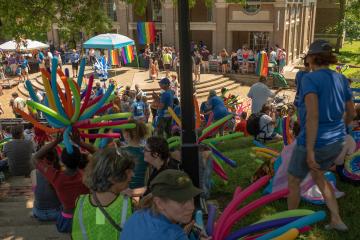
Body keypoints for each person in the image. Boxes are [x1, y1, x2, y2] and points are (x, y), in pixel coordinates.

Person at [287, 40, 355, 232]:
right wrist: (342, 127)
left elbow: (313, 116)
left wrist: (309, 151)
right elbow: (351, 113)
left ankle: (291, 225)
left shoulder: (310, 79)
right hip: (337, 140)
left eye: (307, 56)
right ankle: (336, 219)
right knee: (319, 176)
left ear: (312, 57)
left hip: (314, 142)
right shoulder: (341, 79)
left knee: (294, 180)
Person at [32, 133, 95, 233]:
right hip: (85, 216)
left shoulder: (56, 176)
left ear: (62, 160)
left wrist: (55, 142)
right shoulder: (87, 175)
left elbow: (35, 158)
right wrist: (80, 143)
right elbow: (100, 155)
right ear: (79, 160)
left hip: (67, 219)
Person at [121, 169, 207, 240]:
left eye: (191, 198)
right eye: (182, 201)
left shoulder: (137, 216)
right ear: (159, 203)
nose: (191, 207)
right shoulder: (177, 236)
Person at [71, 147, 134, 239]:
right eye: (128, 171)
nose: (133, 175)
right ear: (112, 177)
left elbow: (99, 224)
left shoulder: (80, 202)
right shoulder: (129, 204)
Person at [31, 148, 62, 221]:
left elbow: (35, 191)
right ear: (55, 159)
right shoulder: (60, 173)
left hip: (39, 213)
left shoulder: (34, 172)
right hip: (57, 213)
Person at [121, 120, 148, 191]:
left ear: (127, 134)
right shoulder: (147, 150)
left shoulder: (121, 151)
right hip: (143, 188)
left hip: (126, 189)